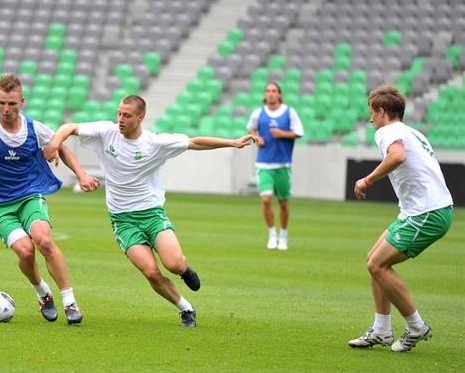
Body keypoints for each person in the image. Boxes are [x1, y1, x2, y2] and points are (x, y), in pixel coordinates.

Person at [43, 95, 254, 327]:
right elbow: (69, 127)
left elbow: (194, 143)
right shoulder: (107, 132)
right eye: (119, 114)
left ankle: (184, 270)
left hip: (151, 214)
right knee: (151, 272)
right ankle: (185, 308)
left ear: (140, 117)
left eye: (127, 115)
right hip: (122, 220)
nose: (121, 119)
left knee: (173, 264)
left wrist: (232, 142)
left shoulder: (155, 143)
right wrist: (54, 144)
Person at [0, 74, 99, 325]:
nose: (6, 109)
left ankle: (70, 302)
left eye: (12, 104)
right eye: (1, 103)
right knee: (25, 251)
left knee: (44, 241)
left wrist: (82, 175)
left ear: (22, 102)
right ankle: (42, 292)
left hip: (29, 195)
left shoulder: (35, 128)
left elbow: (62, 147)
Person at [348, 85, 453, 352]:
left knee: (378, 265)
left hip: (426, 212)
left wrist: (367, 179)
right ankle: (382, 330)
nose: (370, 119)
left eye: (372, 112)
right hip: (422, 210)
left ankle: (416, 327)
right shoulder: (411, 132)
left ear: (382, 111)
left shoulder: (387, 131)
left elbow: (398, 156)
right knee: (374, 261)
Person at [246, 82, 303, 250]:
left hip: (283, 165)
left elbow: (299, 132)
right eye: (268, 91)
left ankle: (283, 235)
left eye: (274, 91)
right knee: (266, 199)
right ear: (265, 94)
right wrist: (256, 138)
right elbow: (251, 129)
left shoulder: (289, 112)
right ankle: (272, 233)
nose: (271, 94)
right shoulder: (258, 113)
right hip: (263, 164)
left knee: (284, 203)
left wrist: (282, 134)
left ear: (279, 94)